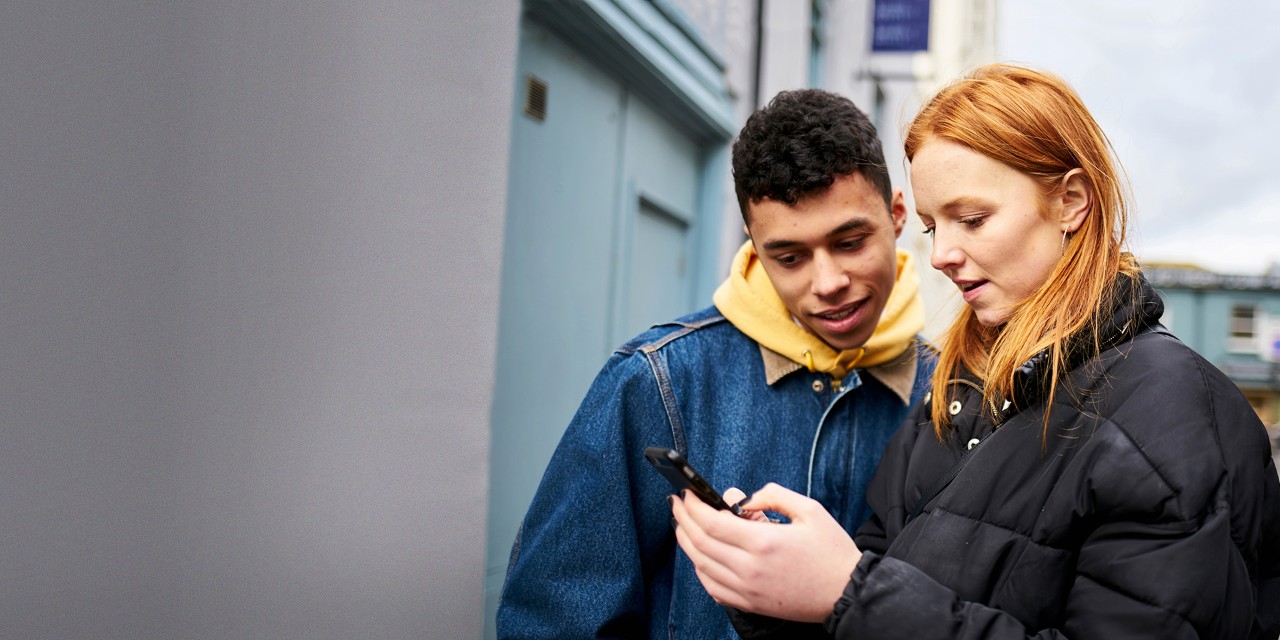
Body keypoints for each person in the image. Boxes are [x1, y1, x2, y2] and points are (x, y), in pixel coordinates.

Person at [671, 63, 1280, 639]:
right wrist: (779, 586)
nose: (940, 255)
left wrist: (850, 592)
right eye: (933, 227)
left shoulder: (1174, 408)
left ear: (1070, 202)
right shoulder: (957, 387)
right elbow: (870, 608)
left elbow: (870, 601)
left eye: (972, 218)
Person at [496, 89, 937, 638]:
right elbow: (554, 620)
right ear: (754, 243)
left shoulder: (954, 392)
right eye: (790, 257)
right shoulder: (658, 380)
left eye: (849, 242)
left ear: (897, 215)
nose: (828, 283)